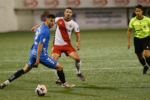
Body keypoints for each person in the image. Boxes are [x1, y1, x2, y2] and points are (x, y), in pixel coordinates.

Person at [0, 14, 75, 89]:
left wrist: (35, 27)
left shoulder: (41, 27)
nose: (53, 23)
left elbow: (40, 27)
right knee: (60, 67)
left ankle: (7, 82)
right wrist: (38, 58)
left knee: (24, 70)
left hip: (33, 53)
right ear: (47, 21)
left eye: (53, 21)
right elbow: (40, 45)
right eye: (51, 21)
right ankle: (64, 83)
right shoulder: (46, 31)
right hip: (41, 56)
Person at [31, 7, 85, 84]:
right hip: (57, 46)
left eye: (70, 12)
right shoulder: (58, 19)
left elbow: (78, 35)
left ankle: (78, 72)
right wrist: (37, 26)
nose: (68, 13)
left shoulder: (74, 24)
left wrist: (77, 43)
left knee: (77, 59)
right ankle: (59, 78)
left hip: (67, 45)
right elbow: (47, 22)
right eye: (67, 12)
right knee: (53, 62)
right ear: (64, 12)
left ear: (72, 14)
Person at [127, 4, 150, 74]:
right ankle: (145, 66)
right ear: (135, 12)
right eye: (136, 11)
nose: (138, 12)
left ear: (142, 11)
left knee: (146, 54)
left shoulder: (147, 19)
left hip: (146, 38)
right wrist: (128, 42)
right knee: (140, 57)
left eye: (139, 11)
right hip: (137, 40)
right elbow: (129, 31)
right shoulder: (133, 20)